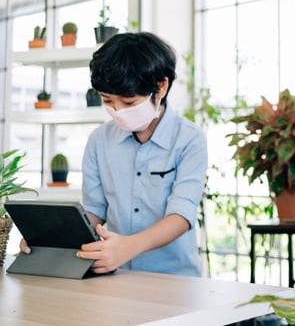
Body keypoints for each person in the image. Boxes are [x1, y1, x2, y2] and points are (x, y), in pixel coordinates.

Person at [21, 32, 208, 277]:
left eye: (128, 102)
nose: (117, 111)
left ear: (161, 86)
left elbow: (181, 215)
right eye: (108, 101)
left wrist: (128, 247)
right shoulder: (99, 140)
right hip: (116, 277)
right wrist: (49, 239)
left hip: (175, 279)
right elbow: (94, 210)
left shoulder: (189, 139)